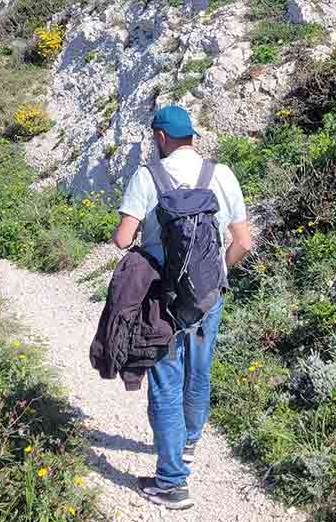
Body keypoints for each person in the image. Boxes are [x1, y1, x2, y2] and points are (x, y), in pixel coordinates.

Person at [114, 105, 252, 510]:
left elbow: (123, 239)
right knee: (199, 370)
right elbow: (243, 243)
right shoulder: (221, 174)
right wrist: (215, 277)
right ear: (192, 135)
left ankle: (172, 482)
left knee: (165, 381)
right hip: (209, 297)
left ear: (159, 138)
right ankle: (189, 443)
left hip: (162, 298)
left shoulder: (148, 176)